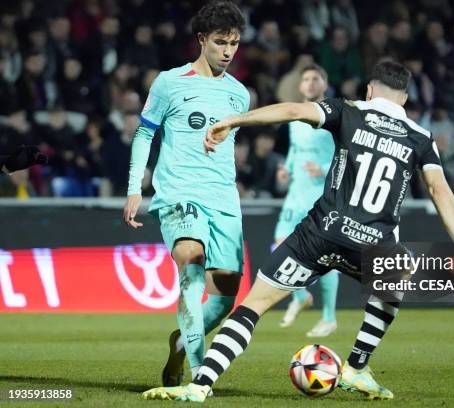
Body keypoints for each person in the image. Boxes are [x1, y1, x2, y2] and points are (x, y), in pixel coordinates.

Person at [142, 60, 454, 402]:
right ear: (404, 98)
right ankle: (357, 366)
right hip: (372, 244)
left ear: (370, 90)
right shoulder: (421, 138)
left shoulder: (347, 111)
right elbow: (439, 190)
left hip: (319, 234)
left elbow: (291, 110)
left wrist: (235, 120)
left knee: (252, 306)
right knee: (400, 270)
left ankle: (200, 385)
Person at [122, 0, 250, 389]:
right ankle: (199, 374)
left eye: (235, 43)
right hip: (179, 194)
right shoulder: (169, 82)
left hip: (223, 200)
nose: (228, 51)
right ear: (201, 40)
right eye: (220, 42)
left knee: (225, 297)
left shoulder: (240, 95)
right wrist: (134, 189)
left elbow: (224, 147)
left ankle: (181, 341)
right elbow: (145, 133)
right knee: (192, 268)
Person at [274, 63, 339, 337]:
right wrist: (286, 168)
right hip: (296, 195)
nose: (310, 83)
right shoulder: (295, 116)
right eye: (307, 79)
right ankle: (300, 298)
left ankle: (329, 317)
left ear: (324, 84)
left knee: (324, 257)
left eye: (316, 78)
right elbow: (294, 150)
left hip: (320, 195)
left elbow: (345, 155)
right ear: (300, 86)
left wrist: (323, 169)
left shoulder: (334, 116)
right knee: (279, 246)